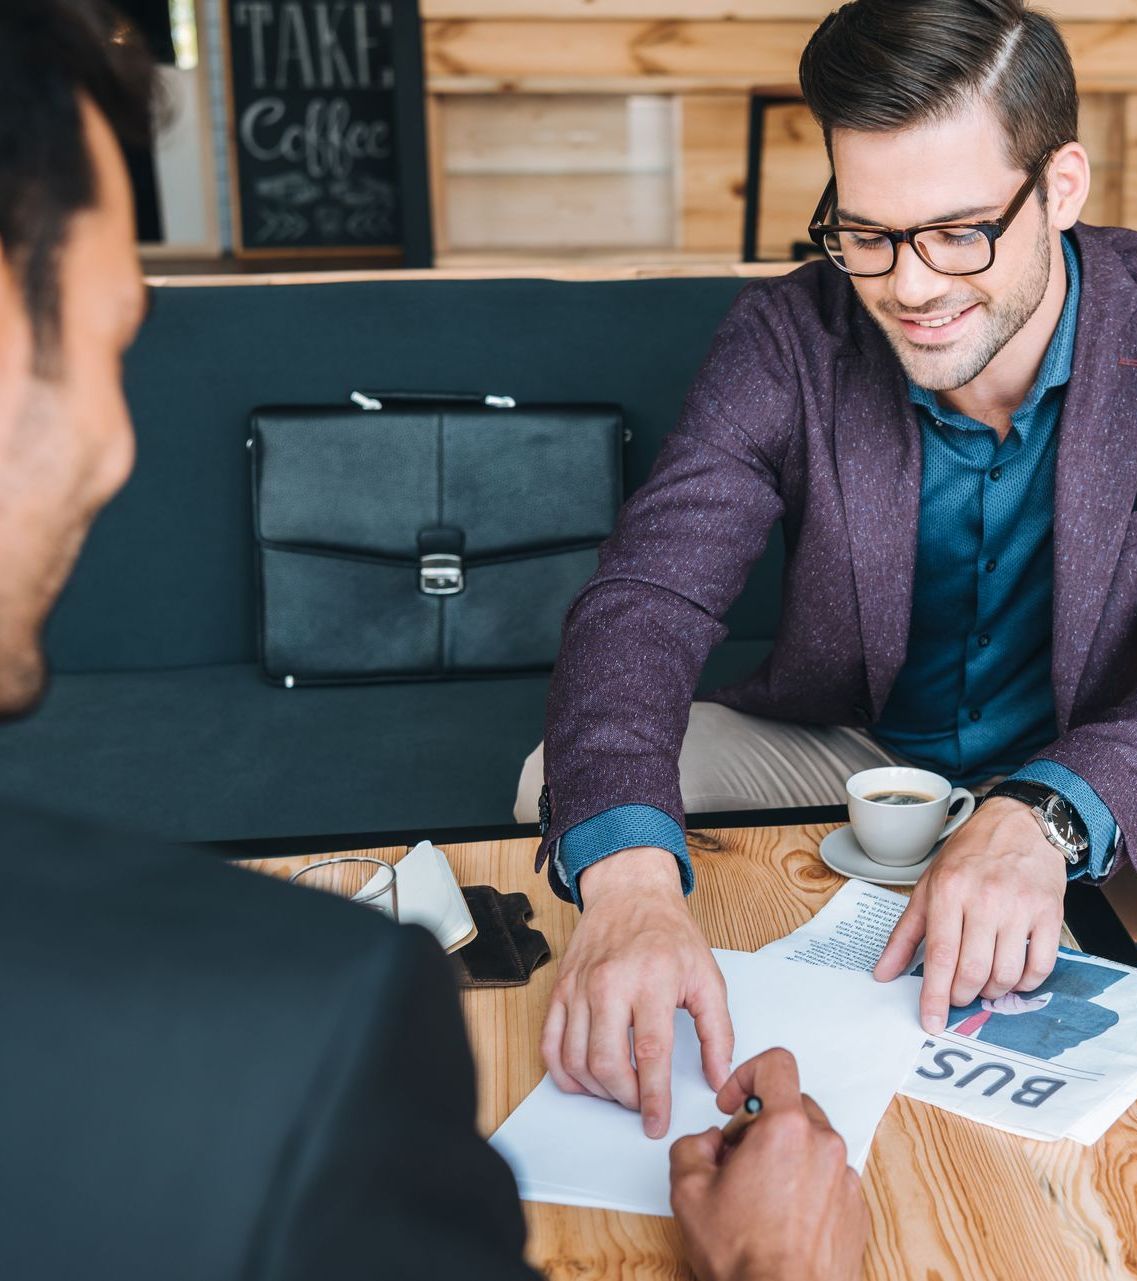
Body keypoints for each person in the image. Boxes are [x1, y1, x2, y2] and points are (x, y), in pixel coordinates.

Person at [0, 4, 867, 1279]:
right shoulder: (300, 1043)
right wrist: (781, 1269)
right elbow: (646, 597)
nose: (122, 445)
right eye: (110, 342)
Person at [518, 0, 1137, 1159]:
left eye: (958, 231)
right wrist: (627, 891)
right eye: (867, 233)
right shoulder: (788, 334)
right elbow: (648, 600)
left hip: (1114, 757)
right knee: (565, 790)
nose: (910, 286)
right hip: (872, 754)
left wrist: (1045, 811)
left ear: (1061, 188)